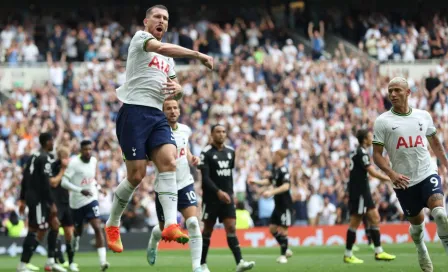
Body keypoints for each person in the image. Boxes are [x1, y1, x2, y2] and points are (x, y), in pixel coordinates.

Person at [104, 4, 213, 253]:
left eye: (165, 18)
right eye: (157, 17)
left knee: (169, 161)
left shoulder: (167, 61)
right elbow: (161, 47)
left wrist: (181, 90)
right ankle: (112, 224)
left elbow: (176, 89)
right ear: (146, 21)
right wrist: (197, 55)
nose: (161, 21)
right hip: (133, 111)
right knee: (136, 176)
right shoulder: (141, 38)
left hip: (157, 115)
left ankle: (171, 224)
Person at [372, 77, 448, 272]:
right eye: (390, 91)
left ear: (408, 93)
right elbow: (377, 156)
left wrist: (446, 163)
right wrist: (391, 173)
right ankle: (421, 248)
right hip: (404, 182)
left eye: (397, 90)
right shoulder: (383, 121)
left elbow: (435, 143)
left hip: (427, 172)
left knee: (440, 213)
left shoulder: (423, 116)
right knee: (417, 226)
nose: (393, 94)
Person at [147, 99, 203, 272]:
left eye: (175, 108)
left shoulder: (185, 130)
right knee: (165, 229)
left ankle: (197, 267)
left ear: (179, 111)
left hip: (185, 183)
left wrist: (192, 157)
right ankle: (154, 240)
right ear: (162, 112)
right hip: (165, 187)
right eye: (168, 108)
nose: (172, 111)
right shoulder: (156, 133)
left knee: (193, 223)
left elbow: (184, 149)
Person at [198, 124, 255, 272]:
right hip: (211, 199)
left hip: (227, 198)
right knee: (208, 230)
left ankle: (240, 262)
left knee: (231, 227)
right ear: (212, 134)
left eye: (224, 132)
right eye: (218, 132)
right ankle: (202, 264)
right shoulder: (205, 153)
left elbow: (228, 176)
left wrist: (230, 193)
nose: (221, 134)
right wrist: (218, 192)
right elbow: (205, 178)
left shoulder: (231, 152)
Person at [343, 129, 396, 264]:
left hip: (362, 191)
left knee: (375, 217)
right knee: (355, 221)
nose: (371, 138)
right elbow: (372, 172)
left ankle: (378, 251)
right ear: (364, 140)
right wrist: (389, 178)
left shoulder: (358, 152)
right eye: (369, 136)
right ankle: (348, 254)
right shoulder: (361, 152)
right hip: (360, 192)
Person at [17, 132, 66, 272]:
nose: (53, 144)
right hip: (39, 199)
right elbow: (45, 182)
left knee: (54, 225)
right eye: (52, 141)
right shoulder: (45, 158)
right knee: (36, 229)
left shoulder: (33, 156)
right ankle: (22, 265)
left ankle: (51, 261)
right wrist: (52, 203)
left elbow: (25, 178)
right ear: (47, 142)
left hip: (32, 197)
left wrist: (22, 199)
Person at [61, 140, 109, 271]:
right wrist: (79, 190)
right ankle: (73, 251)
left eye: (89, 149)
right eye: (85, 150)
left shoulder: (93, 161)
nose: (88, 152)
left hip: (91, 199)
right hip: (76, 203)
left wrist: (99, 188)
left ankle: (103, 262)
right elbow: (64, 182)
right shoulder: (74, 163)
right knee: (78, 232)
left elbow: (91, 179)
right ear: (80, 151)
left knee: (97, 227)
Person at [248, 149, 294, 264]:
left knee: (283, 229)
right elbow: (269, 181)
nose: (273, 157)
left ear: (279, 157)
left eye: (274, 155)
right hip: (277, 204)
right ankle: (286, 248)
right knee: (272, 228)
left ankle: (283, 255)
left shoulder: (284, 169)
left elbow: (286, 186)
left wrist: (271, 192)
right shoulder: (275, 169)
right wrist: (256, 182)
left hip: (285, 204)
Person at [49, 146, 78, 271]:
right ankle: (54, 261)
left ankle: (71, 261)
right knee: (54, 231)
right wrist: (63, 170)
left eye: (68, 157)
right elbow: (53, 182)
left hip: (67, 202)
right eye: (65, 157)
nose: (68, 160)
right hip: (56, 203)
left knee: (69, 232)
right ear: (60, 158)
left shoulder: (71, 167)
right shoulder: (54, 166)